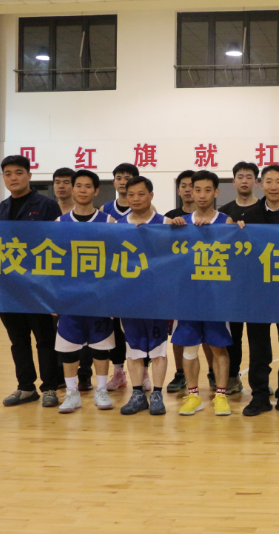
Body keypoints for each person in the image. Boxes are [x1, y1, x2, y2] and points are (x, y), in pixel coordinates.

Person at [0, 156, 62, 407]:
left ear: (29, 176)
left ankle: (50, 387)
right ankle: (25, 387)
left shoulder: (47, 206)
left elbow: (58, 244)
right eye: (8, 173)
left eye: (19, 172)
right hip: (8, 287)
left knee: (45, 339)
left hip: (39, 286)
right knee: (18, 340)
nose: (13, 177)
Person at [231, 165, 279, 417]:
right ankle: (260, 396)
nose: (274, 186)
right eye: (269, 181)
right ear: (261, 185)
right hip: (257, 293)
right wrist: (237, 233)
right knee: (258, 348)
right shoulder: (249, 217)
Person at [168, 170, 234, 417]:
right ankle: (193, 395)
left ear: (216, 192)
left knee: (218, 347)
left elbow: (235, 257)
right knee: (189, 348)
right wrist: (174, 229)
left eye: (208, 189)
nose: (202, 194)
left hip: (216, 297)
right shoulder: (180, 223)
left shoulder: (226, 221)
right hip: (187, 297)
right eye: (197, 189)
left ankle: (221, 395)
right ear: (190, 192)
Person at [53, 170, 117, 413]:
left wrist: (114, 297)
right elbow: (53, 264)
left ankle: (101, 390)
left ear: (96, 190)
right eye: (78, 185)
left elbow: (116, 262)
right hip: (70, 297)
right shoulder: (59, 223)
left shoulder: (109, 222)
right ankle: (72, 393)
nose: (82, 190)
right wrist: (53, 298)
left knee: (101, 346)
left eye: (88, 186)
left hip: (100, 296)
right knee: (69, 347)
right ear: (72, 189)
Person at [116, 176, 173, 416]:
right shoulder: (117, 225)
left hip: (158, 298)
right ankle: (138, 394)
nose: (136, 199)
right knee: (134, 348)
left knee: (159, 348)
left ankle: (157, 394)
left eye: (141, 194)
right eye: (131, 195)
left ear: (151, 195)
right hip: (129, 298)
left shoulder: (166, 223)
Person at [217, 161, 261, 396]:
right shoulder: (224, 213)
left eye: (249, 176)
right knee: (233, 335)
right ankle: (232, 377)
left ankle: (259, 381)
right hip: (232, 284)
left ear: (256, 182)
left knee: (258, 337)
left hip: (259, 283)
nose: (244, 181)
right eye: (240, 177)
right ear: (233, 181)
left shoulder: (264, 210)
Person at [100, 163, 141, 391]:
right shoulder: (105, 209)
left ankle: (143, 372)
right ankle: (118, 371)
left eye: (128, 177)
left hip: (137, 276)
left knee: (137, 325)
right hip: (114, 277)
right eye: (119, 177)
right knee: (114, 327)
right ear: (114, 181)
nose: (123, 181)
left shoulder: (146, 207)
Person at [164, 170, 196, 393]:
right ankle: (180, 373)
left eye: (192, 185)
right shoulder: (170, 217)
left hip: (206, 279)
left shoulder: (213, 217)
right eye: (183, 185)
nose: (188, 189)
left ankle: (212, 373)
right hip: (178, 283)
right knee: (178, 332)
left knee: (208, 332)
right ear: (178, 190)